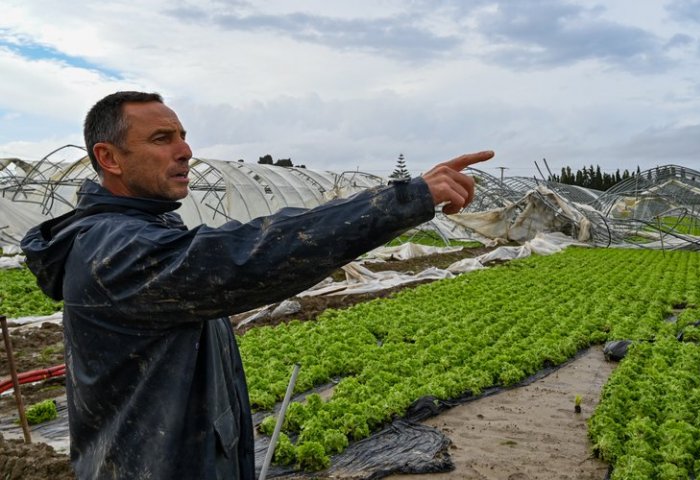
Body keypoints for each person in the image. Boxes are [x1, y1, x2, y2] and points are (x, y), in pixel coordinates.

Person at [21, 91, 493, 479]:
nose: (185, 151)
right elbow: (248, 256)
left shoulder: (142, 232)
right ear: (110, 158)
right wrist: (406, 200)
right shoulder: (116, 248)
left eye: (183, 136)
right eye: (162, 139)